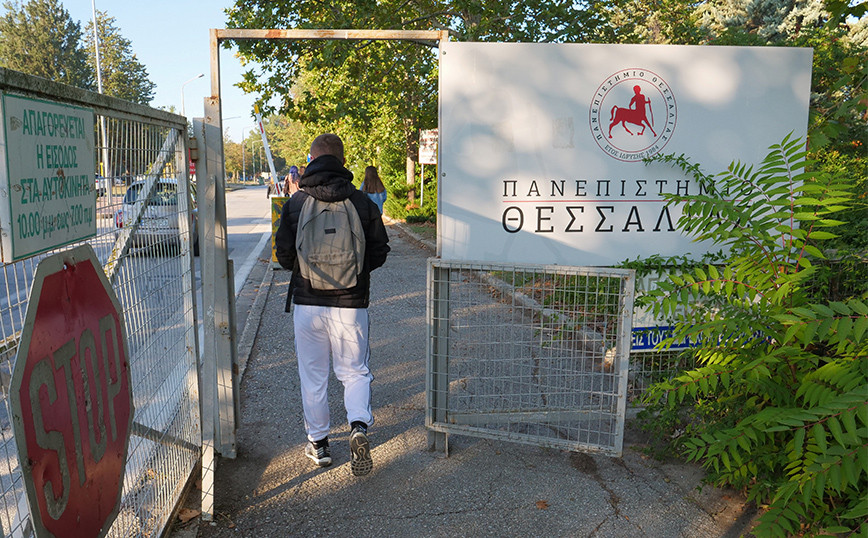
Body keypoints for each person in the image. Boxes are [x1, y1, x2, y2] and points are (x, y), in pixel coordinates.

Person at [274, 133, 390, 476]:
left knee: (313, 376)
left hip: (308, 304)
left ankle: (320, 445)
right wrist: (353, 273)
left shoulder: (296, 203)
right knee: (355, 372)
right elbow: (379, 251)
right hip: (351, 305)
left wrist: (308, 271)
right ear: (343, 161)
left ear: (310, 160)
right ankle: (358, 426)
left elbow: (283, 254)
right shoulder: (361, 202)